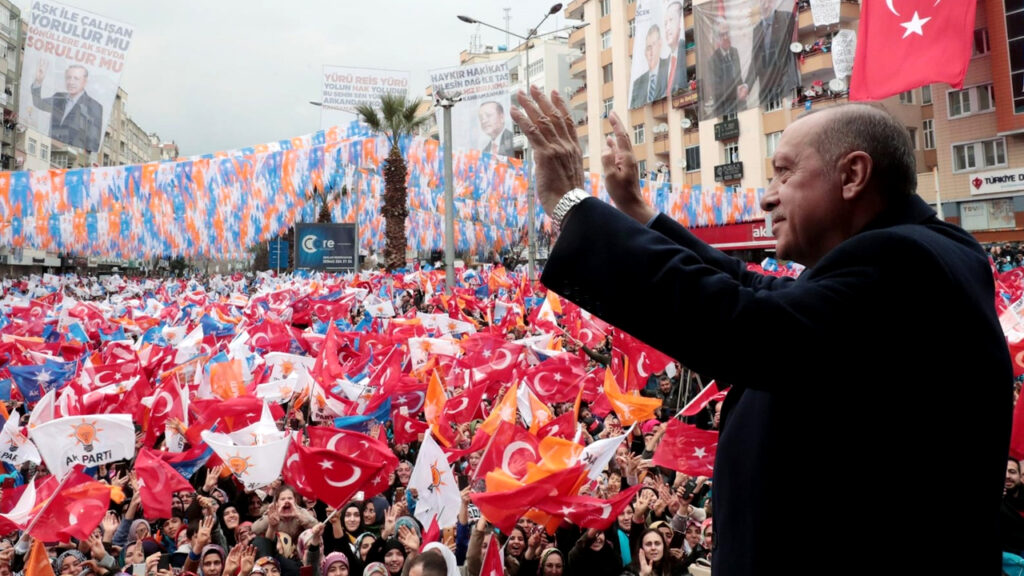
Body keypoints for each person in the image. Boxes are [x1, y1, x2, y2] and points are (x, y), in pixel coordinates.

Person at [508, 85, 1011, 574]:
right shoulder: (906, 254)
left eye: (784, 173)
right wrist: (637, 212)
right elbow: (757, 288)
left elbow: (749, 324)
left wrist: (571, 207)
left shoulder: (906, 261)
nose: (767, 199)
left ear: (853, 174)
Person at [30, 61, 103, 153]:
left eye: (76, 78)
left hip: (74, 154)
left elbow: (93, 140)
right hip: (52, 150)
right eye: (68, 78)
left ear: (84, 82)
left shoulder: (94, 106)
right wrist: (38, 81)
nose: (71, 82)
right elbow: (38, 103)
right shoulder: (59, 97)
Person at [742, 0, 800, 105]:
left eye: (767, 2)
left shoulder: (786, 18)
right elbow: (755, 62)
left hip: (784, 83)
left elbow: (795, 44)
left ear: (773, 3)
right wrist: (747, 86)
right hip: (767, 89)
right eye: (762, 3)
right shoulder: (757, 30)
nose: (765, 6)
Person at [706, 20, 744, 118]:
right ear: (717, 38)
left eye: (727, 33)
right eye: (721, 35)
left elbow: (738, 78)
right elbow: (716, 90)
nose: (725, 37)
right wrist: (735, 91)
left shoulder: (735, 52)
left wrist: (743, 89)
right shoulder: (712, 61)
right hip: (723, 109)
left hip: (739, 105)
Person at [630, 25, 670, 109]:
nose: (651, 52)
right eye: (648, 48)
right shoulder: (637, 84)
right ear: (645, 53)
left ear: (660, 44)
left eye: (654, 45)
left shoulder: (669, 68)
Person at [663, 1, 688, 98]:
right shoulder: (664, 65)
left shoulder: (682, 51)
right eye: (665, 23)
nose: (667, 28)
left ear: (680, 22)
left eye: (671, 20)